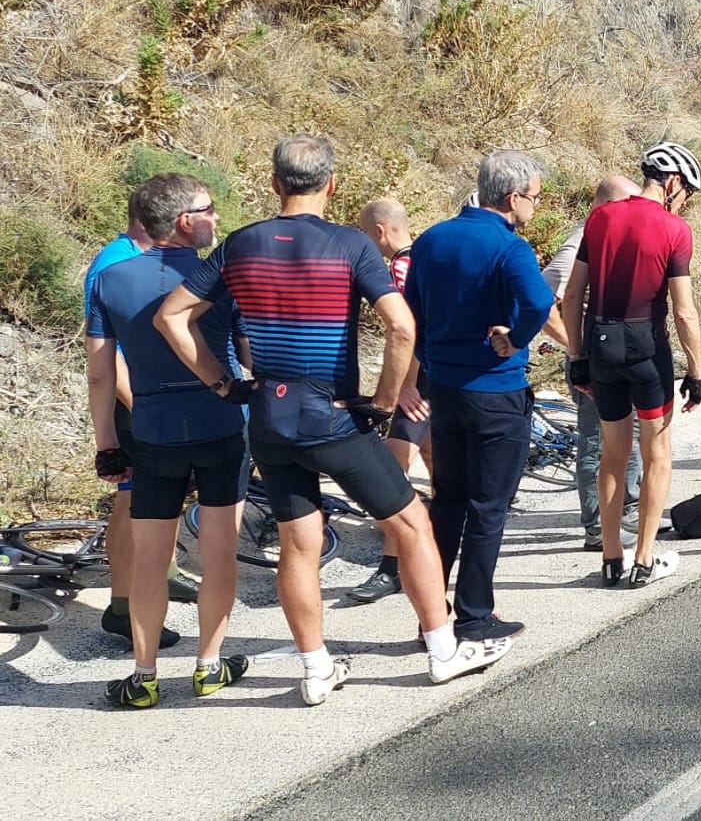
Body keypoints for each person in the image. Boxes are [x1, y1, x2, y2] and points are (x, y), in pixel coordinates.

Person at [157, 134, 498, 706]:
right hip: (333, 418)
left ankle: (316, 669)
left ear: (274, 184)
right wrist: (386, 402)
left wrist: (221, 382)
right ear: (332, 185)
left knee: (299, 543)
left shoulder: (240, 244)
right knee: (412, 524)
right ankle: (444, 651)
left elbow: (172, 317)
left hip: (268, 417)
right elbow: (403, 327)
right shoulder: (349, 245)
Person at [87, 173, 251, 708]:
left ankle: (144, 674)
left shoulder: (110, 280)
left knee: (152, 558)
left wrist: (108, 443)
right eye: (208, 209)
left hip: (154, 429)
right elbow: (249, 353)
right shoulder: (222, 273)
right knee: (219, 550)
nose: (216, 218)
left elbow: (100, 374)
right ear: (184, 221)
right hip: (221, 421)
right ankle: (208, 666)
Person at [403, 151, 554, 643]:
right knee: (488, 505)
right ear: (513, 198)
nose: (535, 206)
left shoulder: (432, 239)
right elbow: (538, 301)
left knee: (446, 500)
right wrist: (518, 337)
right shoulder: (510, 248)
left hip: (444, 387)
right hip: (496, 388)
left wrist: (429, 356)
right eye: (533, 197)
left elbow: (412, 313)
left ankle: (432, 614)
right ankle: (473, 614)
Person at [562, 143, 701, 588]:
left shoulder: (600, 218)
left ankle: (610, 557)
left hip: (600, 346)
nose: (684, 203)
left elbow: (571, 296)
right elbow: (683, 311)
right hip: (647, 349)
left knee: (612, 454)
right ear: (674, 183)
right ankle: (643, 559)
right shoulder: (674, 229)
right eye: (687, 194)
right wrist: (696, 371)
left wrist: (576, 356)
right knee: (657, 454)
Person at [83, 215, 199, 646]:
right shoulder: (114, 263)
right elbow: (104, 356)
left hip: (153, 399)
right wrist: (142, 405)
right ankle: (122, 606)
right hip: (136, 401)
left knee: (158, 498)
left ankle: (161, 577)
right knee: (134, 502)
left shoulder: (144, 257)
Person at [541, 175, 644, 552]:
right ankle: (598, 525)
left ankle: (626, 511)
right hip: (591, 362)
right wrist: (576, 348)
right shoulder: (581, 240)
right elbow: (543, 297)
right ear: (610, 205)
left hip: (613, 356)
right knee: (596, 441)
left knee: (627, 436)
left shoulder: (606, 234)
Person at [347, 197, 432, 604]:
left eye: (366, 234)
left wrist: (404, 385)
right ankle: (437, 551)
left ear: (379, 232)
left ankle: (390, 568)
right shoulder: (428, 255)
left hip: (420, 380)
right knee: (438, 466)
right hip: (441, 376)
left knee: (393, 471)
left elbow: (408, 327)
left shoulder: (400, 265)